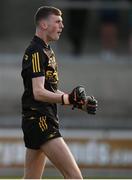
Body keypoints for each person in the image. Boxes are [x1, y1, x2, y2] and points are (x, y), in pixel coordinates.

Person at [21, 6, 97, 179]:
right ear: (43, 24)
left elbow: (50, 90)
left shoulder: (47, 51)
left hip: (38, 119)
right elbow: (38, 92)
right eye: (57, 21)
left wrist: (79, 103)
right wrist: (67, 98)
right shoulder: (35, 51)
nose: (62, 26)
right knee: (74, 177)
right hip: (40, 120)